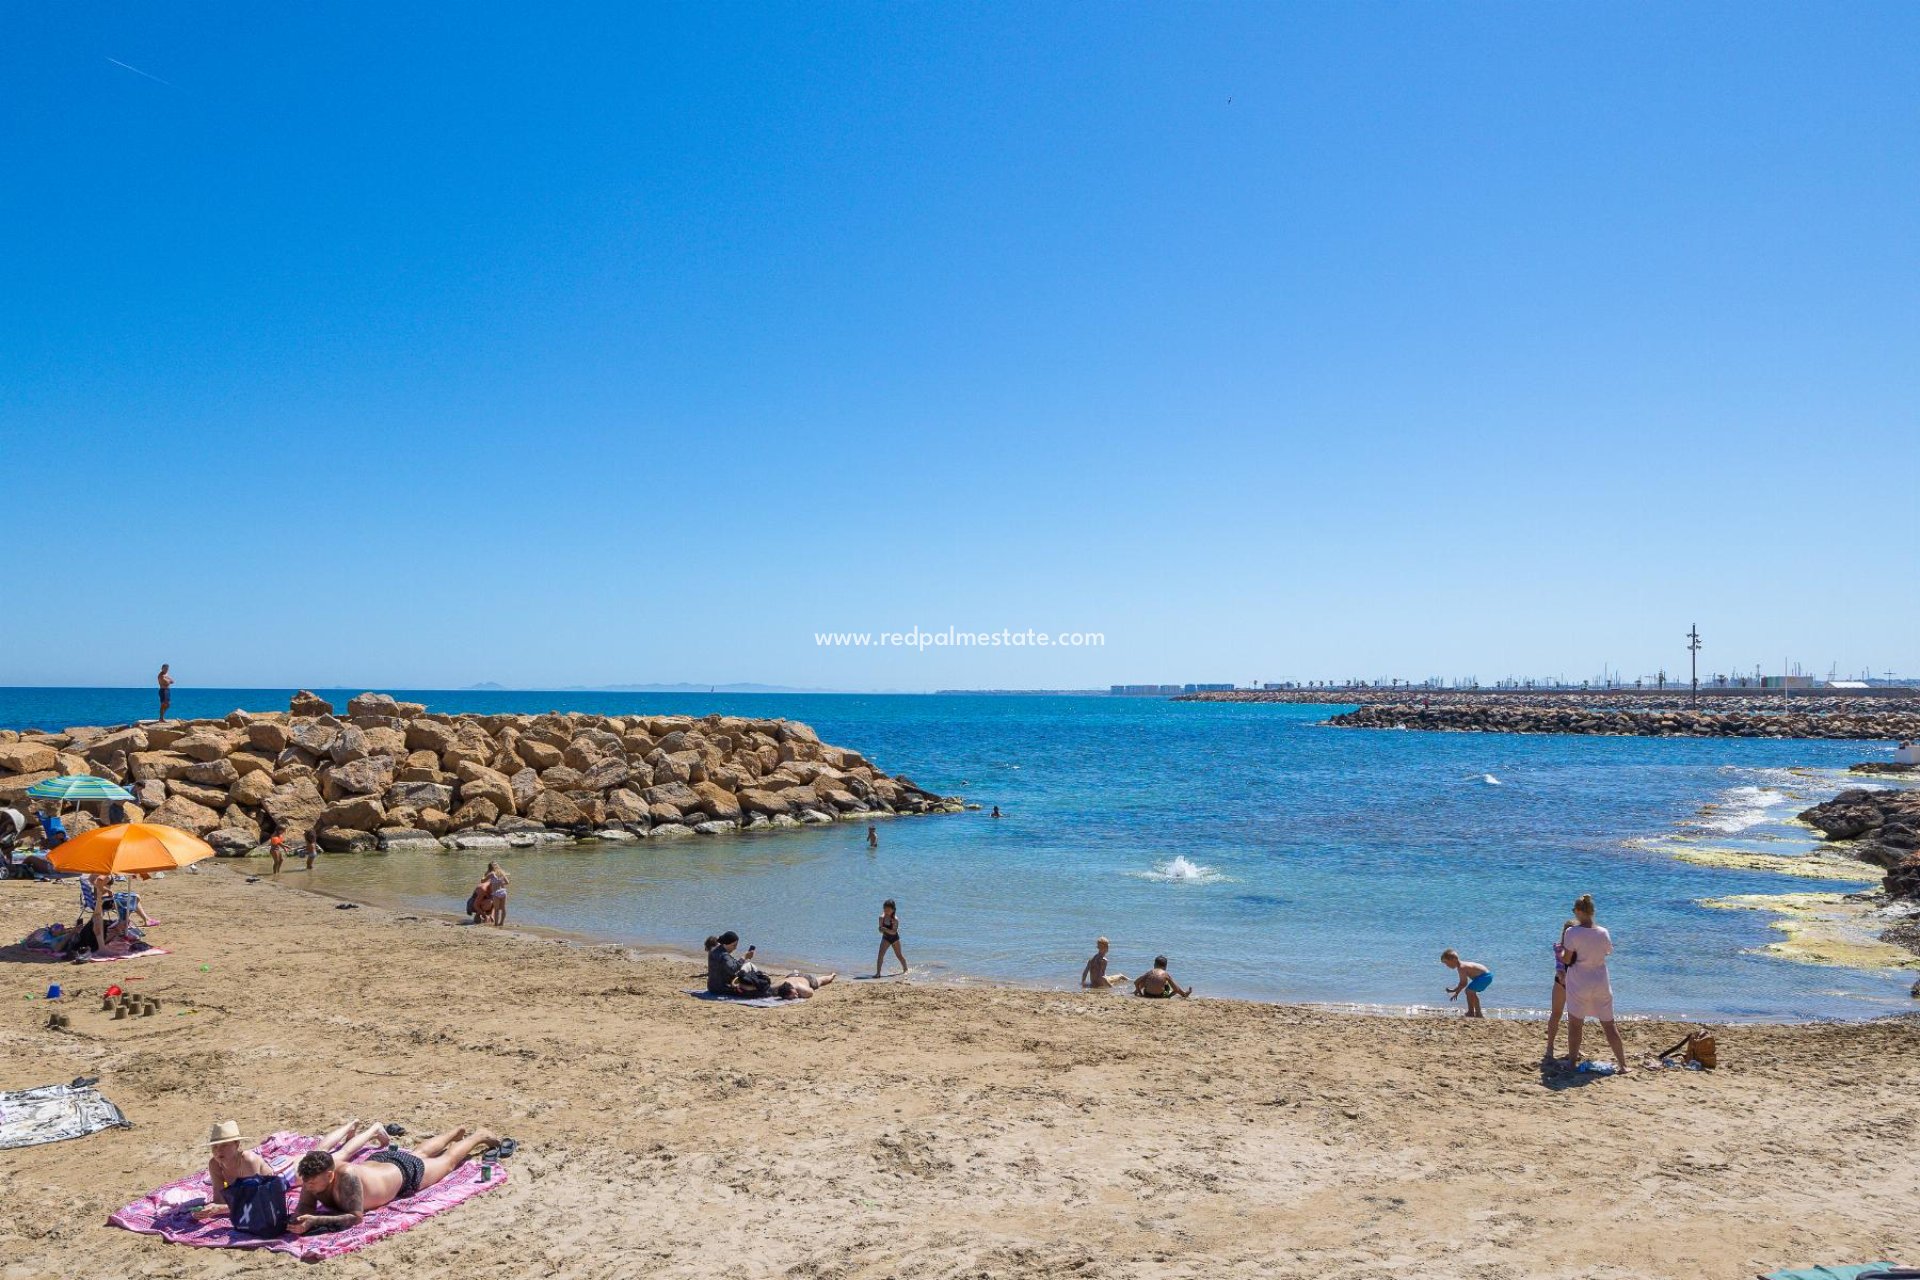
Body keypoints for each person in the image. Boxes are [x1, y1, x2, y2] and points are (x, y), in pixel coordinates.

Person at [290, 1127, 500, 1233]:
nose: (308, 1186)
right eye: (307, 1182)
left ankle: (478, 1136)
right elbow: (305, 1205)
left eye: (313, 1182)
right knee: (418, 1152)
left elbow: (355, 1217)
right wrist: (297, 1220)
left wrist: (316, 1220)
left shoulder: (348, 1177)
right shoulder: (312, 1177)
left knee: (447, 1161)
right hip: (380, 1163)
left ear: (330, 1174)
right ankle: (454, 1133)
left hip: (404, 1172)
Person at [1561, 894, 1629, 1073]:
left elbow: (1567, 959)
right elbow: (1607, 952)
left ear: (1579, 912)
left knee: (1576, 1024)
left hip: (1579, 981)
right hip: (1600, 981)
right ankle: (1623, 1065)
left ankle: (1571, 1063)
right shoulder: (1603, 932)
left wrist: (1562, 955)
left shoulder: (1571, 932)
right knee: (1609, 1024)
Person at [1544, 916, 1578, 1062]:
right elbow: (1559, 967)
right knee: (1556, 1014)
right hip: (1561, 983)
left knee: (1575, 1018)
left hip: (1577, 984)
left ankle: (1574, 1049)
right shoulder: (1559, 948)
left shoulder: (1581, 949)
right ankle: (1550, 1047)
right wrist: (1562, 976)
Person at [706, 931, 769, 997]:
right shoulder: (724, 955)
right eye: (734, 945)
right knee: (757, 990)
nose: (735, 948)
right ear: (726, 944)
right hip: (723, 989)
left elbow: (727, 966)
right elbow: (733, 969)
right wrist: (744, 957)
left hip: (712, 987)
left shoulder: (714, 950)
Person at [1440, 949, 1492, 1017]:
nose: (1447, 965)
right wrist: (1457, 992)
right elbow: (1463, 983)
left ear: (1454, 959)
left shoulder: (1461, 967)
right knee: (1471, 992)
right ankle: (1478, 1013)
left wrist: (1454, 990)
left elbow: (1463, 983)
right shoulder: (1461, 966)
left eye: (1447, 963)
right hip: (1486, 976)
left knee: (1469, 991)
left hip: (1484, 977)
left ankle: (1472, 1012)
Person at [874, 899, 908, 977]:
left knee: (899, 955)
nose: (887, 911)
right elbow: (880, 930)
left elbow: (894, 932)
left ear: (893, 910)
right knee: (880, 955)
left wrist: (885, 929)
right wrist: (880, 929)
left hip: (895, 938)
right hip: (885, 938)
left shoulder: (895, 919)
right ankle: (878, 973)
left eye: (889, 910)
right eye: (885, 909)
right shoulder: (881, 918)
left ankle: (905, 969)